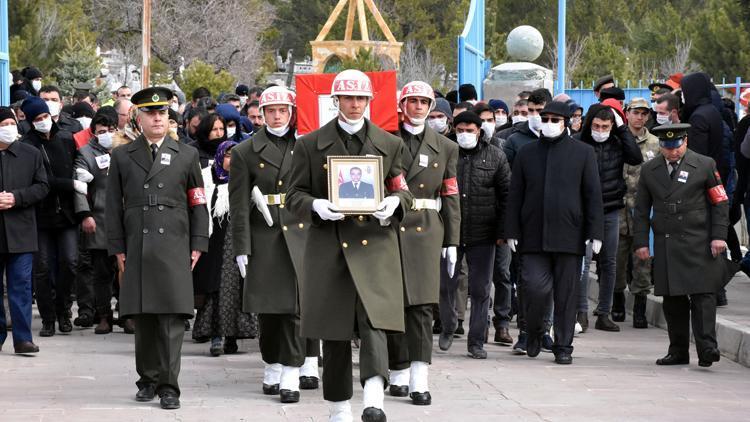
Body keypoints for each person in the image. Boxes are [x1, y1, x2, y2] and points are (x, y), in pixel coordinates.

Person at [286, 69, 412, 422]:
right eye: (347, 98)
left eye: (361, 98)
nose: (355, 105)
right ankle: (338, 408)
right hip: (330, 246)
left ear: (370, 102)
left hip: (374, 245)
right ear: (335, 101)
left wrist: (395, 203)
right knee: (335, 330)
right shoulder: (310, 144)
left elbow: (403, 188)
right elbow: (294, 194)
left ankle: (374, 397)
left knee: (375, 321)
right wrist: (315, 206)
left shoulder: (390, 144)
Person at [106, 87, 209, 409]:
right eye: (150, 113)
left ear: (169, 116)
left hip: (174, 242)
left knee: (170, 317)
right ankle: (147, 378)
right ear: (138, 117)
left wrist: (198, 242)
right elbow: (112, 205)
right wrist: (117, 245)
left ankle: (169, 385)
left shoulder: (186, 154)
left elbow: (198, 201)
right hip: (138, 241)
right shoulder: (122, 155)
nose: (156, 118)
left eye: (162, 113)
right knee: (143, 315)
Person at [229, 86, 313, 404]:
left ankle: (291, 371)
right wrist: (241, 247)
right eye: (271, 111)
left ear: (291, 113)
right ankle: (272, 363)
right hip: (264, 235)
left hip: (298, 232)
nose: (277, 116)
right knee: (268, 310)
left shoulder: (305, 146)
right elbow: (238, 204)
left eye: (283, 110)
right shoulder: (245, 151)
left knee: (293, 308)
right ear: (261, 115)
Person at [506, 101, 604, 365]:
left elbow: (593, 195)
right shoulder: (527, 153)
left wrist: (596, 233)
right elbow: (515, 195)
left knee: (566, 295)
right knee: (534, 288)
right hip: (532, 235)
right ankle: (536, 330)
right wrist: (512, 230)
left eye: (554, 119)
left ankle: (564, 345)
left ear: (565, 123)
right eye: (544, 118)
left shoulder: (583, 153)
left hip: (569, 236)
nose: (548, 123)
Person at [386, 81, 460, 405]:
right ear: (402, 105)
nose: (417, 107)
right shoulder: (385, 141)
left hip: (427, 229)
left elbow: (451, 195)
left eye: (424, 102)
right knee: (393, 303)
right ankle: (397, 371)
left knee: (421, 305)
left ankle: (419, 376)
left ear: (432, 107)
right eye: (412, 101)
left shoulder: (445, 147)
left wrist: (453, 240)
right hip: (390, 226)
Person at [633, 123, 726, 368]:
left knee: (703, 296)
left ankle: (708, 347)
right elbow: (641, 210)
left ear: (685, 142)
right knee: (673, 300)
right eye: (666, 147)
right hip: (667, 241)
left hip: (698, 239)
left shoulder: (705, 164)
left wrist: (719, 235)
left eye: (677, 146)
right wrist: (642, 242)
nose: (672, 152)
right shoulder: (650, 169)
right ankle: (678, 350)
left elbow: (720, 202)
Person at [438, 111, 510, 360]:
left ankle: (477, 341)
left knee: (481, 290)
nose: (465, 135)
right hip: (450, 234)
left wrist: (503, 231)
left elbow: (506, 196)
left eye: (470, 130)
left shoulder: (496, 156)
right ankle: (448, 326)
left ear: (479, 131)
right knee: (445, 284)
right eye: (460, 130)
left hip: (484, 232)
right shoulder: (445, 153)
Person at [574, 103, 643, 332]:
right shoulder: (579, 143)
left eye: (605, 126)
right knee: (583, 263)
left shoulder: (617, 142)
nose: (600, 130)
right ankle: (581, 312)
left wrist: (623, 130)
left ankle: (604, 313)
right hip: (583, 212)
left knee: (609, 263)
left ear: (612, 126)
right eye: (596, 126)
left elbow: (635, 157)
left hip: (611, 209)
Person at [20, 96, 82, 337]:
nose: (43, 122)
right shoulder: (28, 145)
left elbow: (78, 165)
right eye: (37, 119)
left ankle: (64, 309)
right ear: (31, 121)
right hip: (41, 216)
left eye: (45, 116)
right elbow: (43, 182)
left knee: (70, 261)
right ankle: (47, 317)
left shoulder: (67, 140)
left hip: (66, 214)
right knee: (43, 267)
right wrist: (72, 184)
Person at [191, 140, 257, 355]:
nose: (232, 160)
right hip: (213, 241)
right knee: (215, 288)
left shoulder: (246, 178)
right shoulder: (206, 177)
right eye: (228, 155)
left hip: (237, 241)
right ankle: (216, 335)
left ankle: (233, 337)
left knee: (237, 287)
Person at [0, 107, 49, 354]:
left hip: (22, 232)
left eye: (11, 122)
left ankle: (22, 339)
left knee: (20, 287)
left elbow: (42, 187)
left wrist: (16, 198)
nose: (9, 127)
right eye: (3, 124)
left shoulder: (30, 154)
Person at [615, 98, 660, 329]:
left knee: (643, 262)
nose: (639, 117)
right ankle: (618, 304)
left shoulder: (655, 143)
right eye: (635, 112)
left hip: (643, 211)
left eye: (644, 113)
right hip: (619, 209)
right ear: (627, 113)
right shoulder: (617, 140)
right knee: (617, 261)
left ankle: (640, 308)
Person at [73, 111, 118, 334]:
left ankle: (128, 316)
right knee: (101, 273)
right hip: (99, 219)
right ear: (94, 132)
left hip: (125, 219)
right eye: (102, 132)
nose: (107, 135)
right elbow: (79, 189)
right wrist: (85, 214)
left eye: (111, 131)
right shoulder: (85, 153)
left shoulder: (126, 150)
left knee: (125, 272)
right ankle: (104, 316)